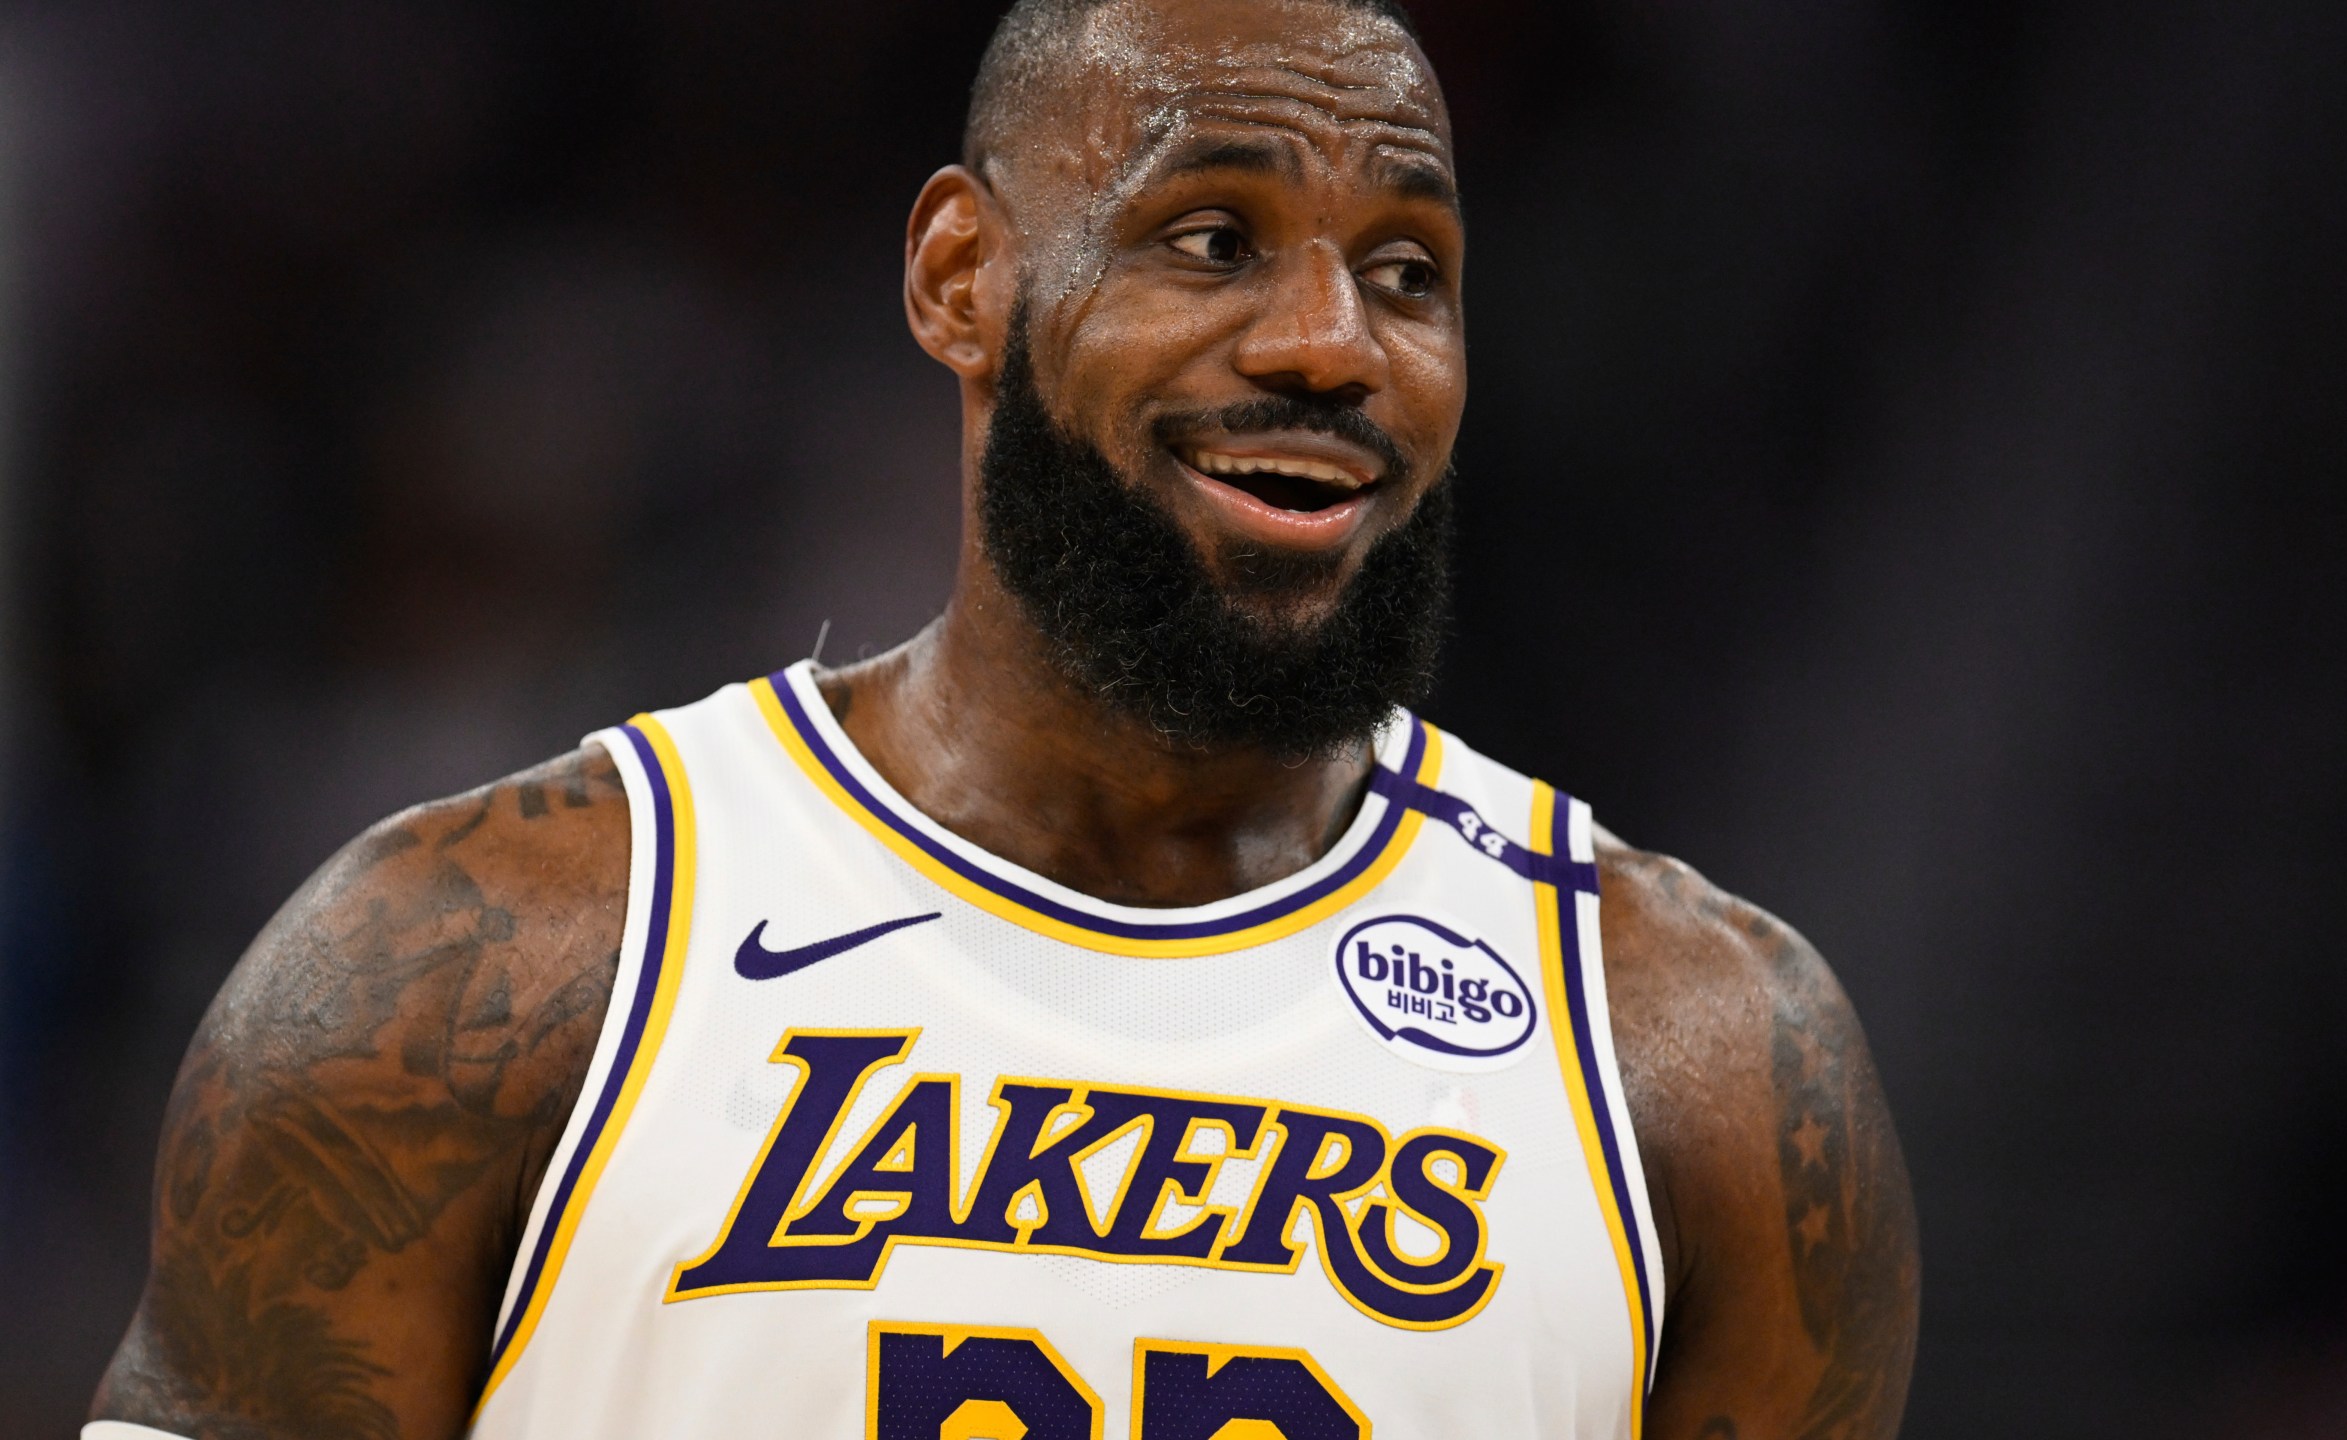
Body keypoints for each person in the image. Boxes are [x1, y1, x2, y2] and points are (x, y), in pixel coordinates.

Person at [86, 0, 1918, 1435]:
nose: (1331, 342)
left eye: (1409, 270)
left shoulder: (1703, 1064)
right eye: (1213, 237)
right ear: (963, 279)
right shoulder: (477, 971)